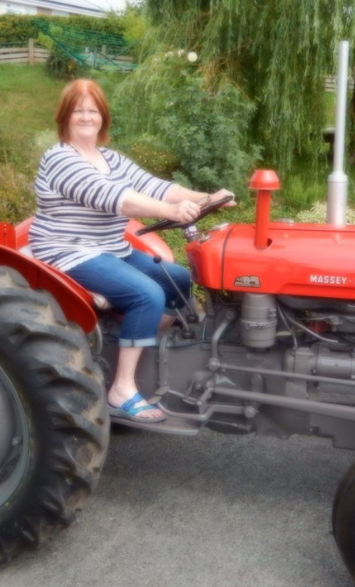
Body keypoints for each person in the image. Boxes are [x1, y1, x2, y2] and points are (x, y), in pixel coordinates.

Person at [31, 79, 234, 423]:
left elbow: (153, 185)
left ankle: (143, 351)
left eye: (92, 110)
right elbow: (112, 198)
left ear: (103, 118)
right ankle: (122, 388)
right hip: (69, 251)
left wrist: (207, 198)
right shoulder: (60, 160)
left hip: (111, 248)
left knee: (179, 279)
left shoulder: (108, 157)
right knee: (147, 295)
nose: (85, 117)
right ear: (65, 117)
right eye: (78, 110)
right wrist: (170, 211)